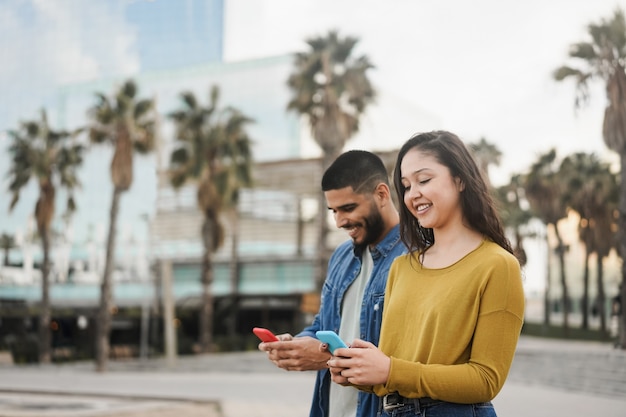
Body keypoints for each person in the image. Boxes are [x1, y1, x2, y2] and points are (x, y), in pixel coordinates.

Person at [327, 131, 525, 417]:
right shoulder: (402, 267)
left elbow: (486, 380)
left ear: (460, 179)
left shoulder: (497, 265)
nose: (412, 194)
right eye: (406, 186)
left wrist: (391, 370)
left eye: (424, 180)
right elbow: (394, 370)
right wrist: (360, 371)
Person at [258, 150, 406, 417]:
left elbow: (411, 353)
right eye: (333, 211)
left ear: (382, 194)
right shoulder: (342, 256)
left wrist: (326, 356)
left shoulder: (416, 256)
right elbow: (324, 325)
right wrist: (297, 344)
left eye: (348, 208)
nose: (339, 222)